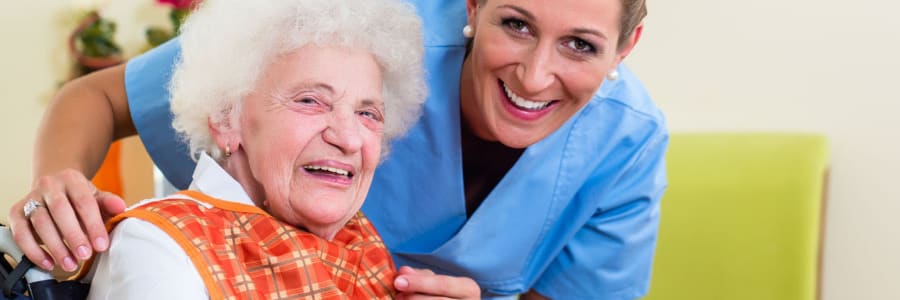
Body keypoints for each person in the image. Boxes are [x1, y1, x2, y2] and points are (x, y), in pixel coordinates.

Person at [10, 0, 667, 299]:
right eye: (516, 25)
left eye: (581, 44)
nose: (534, 75)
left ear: (625, 49)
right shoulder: (340, 28)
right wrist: (59, 195)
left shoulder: (628, 142)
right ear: (473, 5)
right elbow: (97, 97)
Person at [83, 0, 426, 298]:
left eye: (368, 113)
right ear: (226, 118)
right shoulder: (158, 245)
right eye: (310, 101)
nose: (349, 139)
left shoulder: (360, 244)